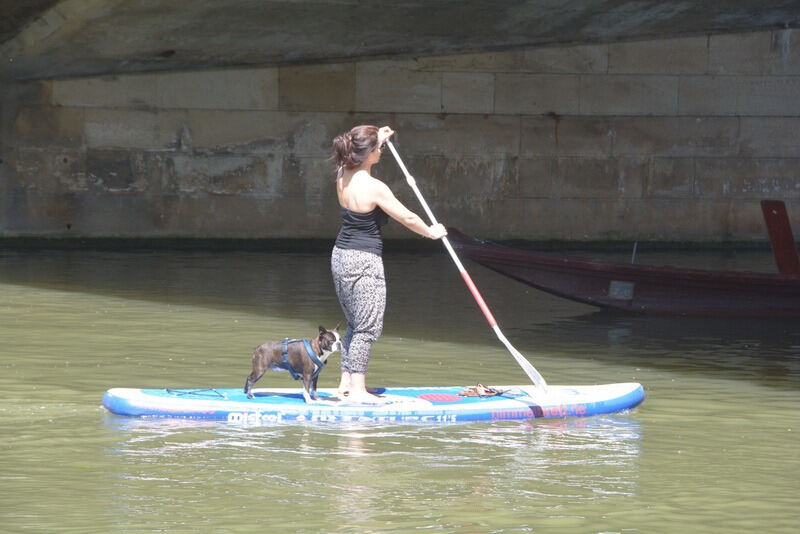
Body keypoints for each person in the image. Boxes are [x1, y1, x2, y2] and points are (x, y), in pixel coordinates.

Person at [330, 125, 447, 403]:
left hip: (340, 256)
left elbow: (360, 153)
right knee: (368, 327)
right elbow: (406, 217)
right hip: (364, 260)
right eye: (378, 149)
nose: (381, 152)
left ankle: (345, 383)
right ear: (367, 153)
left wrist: (377, 139)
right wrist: (431, 232)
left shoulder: (342, 175)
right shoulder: (374, 188)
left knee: (354, 323)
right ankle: (358, 390)